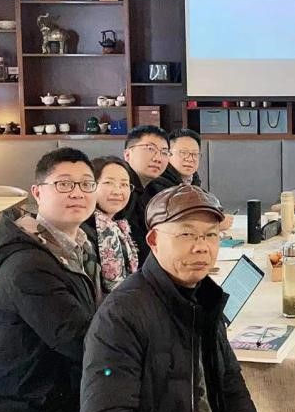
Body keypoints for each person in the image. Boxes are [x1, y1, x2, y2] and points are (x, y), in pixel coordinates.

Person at [79, 185, 295, 412]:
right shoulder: (122, 314)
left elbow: (229, 386)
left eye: (210, 235)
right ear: (153, 240)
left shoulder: (202, 297)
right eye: (186, 235)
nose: (201, 247)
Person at [0, 148, 100, 412]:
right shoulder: (28, 266)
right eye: (64, 184)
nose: (77, 192)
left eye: (86, 184)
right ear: (37, 192)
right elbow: (80, 341)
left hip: (63, 399)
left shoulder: (78, 246)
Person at [147, 128, 234, 231]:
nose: (190, 159)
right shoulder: (158, 183)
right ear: (167, 154)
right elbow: (174, 223)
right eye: (183, 153)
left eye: (195, 154)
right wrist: (214, 225)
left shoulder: (193, 179)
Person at [83, 156, 139, 293]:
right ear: (90, 185)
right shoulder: (81, 231)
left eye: (124, 184)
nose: (117, 191)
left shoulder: (121, 227)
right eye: (109, 183)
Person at [123, 124, 171, 257]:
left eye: (164, 152)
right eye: (150, 149)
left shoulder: (159, 188)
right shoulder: (119, 189)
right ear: (127, 154)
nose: (158, 158)